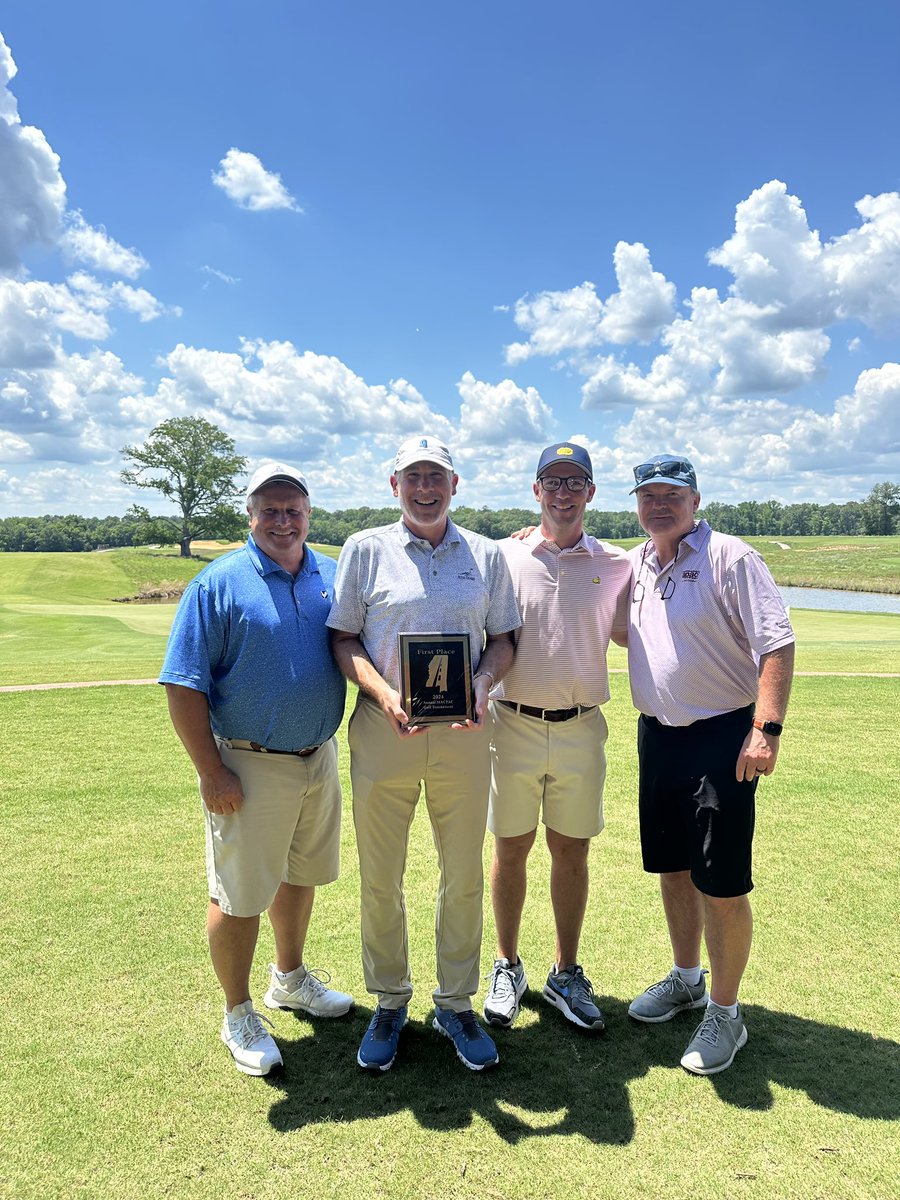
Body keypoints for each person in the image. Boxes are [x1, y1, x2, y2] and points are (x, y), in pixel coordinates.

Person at [327, 435, 520, 1072]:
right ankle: (389, 1000)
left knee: (462, 873)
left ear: (455, 484)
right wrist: (382, 692)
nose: (425, 488)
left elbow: (502, 642)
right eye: (413, 477)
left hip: (464, 734)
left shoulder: (486, 555)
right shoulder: (365, 549)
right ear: (395, 485)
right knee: (381, 875)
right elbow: (345, 636)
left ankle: (455, 1002)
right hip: (386, 732)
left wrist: (483, 686)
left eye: (436, 476)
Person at [159, 462, 354, 1077]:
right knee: (240, 893)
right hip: (248, 762)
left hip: (317, 756)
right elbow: (183, 685)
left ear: (308, 514)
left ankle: (289, 979)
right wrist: (212, 772)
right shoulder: (218, 583)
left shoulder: (329, 572)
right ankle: (237, 1010)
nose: (282, 520)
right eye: (269, 509)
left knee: (301, 875)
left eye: (293, 509)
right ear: (250, 515)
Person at [622, 454, 794, 1075]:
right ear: (637, 505)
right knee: (672, 868)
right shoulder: (639, 562)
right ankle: (687, 978)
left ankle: (725, 1010)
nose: (659, 505)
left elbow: (776, 641)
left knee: (720, 883)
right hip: (658, 736)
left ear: (696, 501)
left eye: (673, 495)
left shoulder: (732, 558)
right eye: (649, 496)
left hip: (722, 737)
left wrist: (765, 729)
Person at [483, 442, 631, 1035]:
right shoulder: (503, 555)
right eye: (553, 481)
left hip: (580, 727)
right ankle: (507, 965)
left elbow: (634, 631)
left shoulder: (619, 562)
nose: (564, 492)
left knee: (572, 850)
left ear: (592, 492)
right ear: (536, 489)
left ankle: (566, 971)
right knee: (510, 848)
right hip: (510, 723)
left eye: (576, 482)